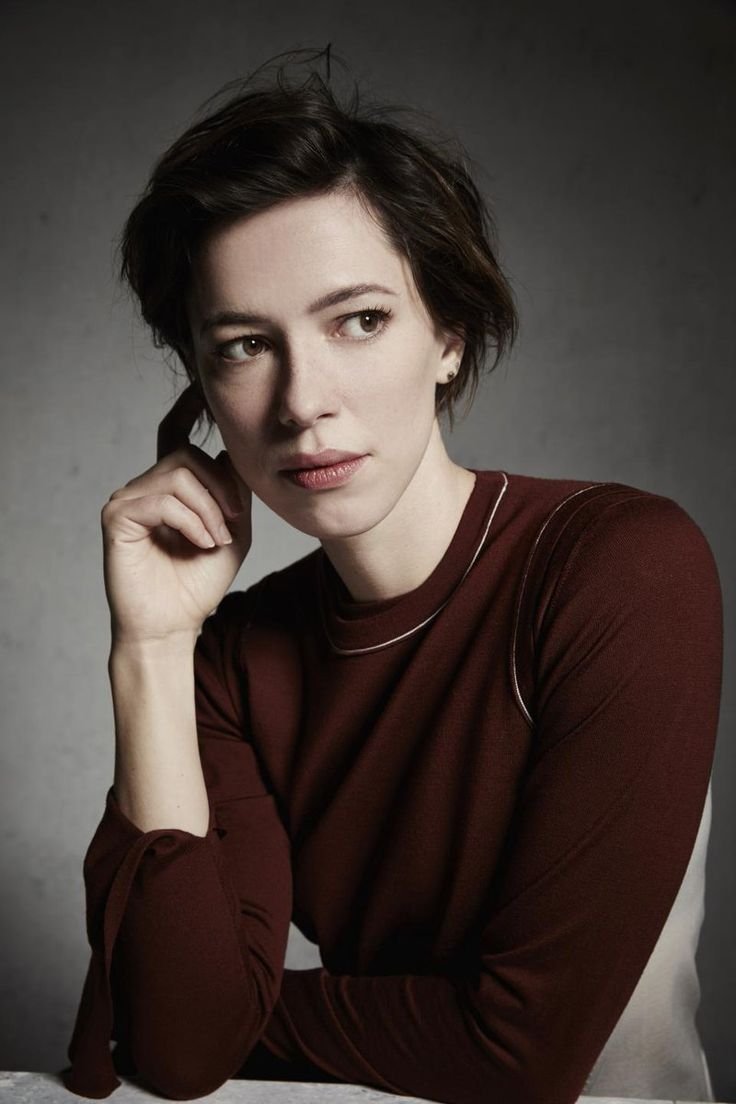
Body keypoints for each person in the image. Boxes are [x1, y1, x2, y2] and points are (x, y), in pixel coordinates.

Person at [60, 46, 723, 1104]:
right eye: (244, 345)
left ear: (447, 336)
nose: (303, 401)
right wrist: (149, 646)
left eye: (358, 320)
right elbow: (181, 1055)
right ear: (200, 393)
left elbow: (523, 1054)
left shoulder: (618, 568)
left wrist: (230, 1014)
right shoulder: (230, 660)